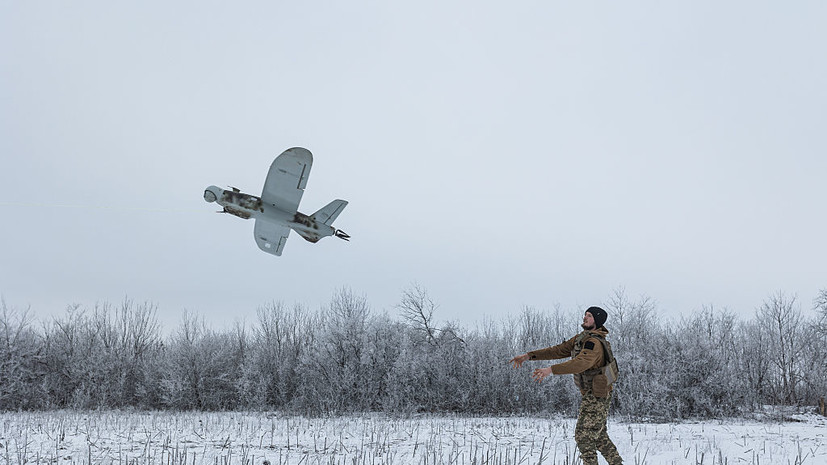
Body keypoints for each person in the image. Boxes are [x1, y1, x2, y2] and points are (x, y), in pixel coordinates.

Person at [510, 306, 623, 465]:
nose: (585, 318)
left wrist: (551, 370)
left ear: (596, 321)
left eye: (589, 316)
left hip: (597, 394)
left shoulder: (594, 343)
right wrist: (529, 355)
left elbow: (580, 363)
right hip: (594, 393)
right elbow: (557, 350)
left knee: (584, 436)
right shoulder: (582, 338)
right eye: (585, 315)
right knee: (598, 436)